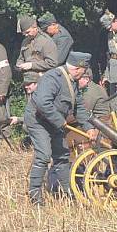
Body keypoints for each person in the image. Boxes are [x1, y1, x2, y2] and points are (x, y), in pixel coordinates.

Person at [25, 51, 96, 205]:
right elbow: (43, 104)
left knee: (62, 156)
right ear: (78, 69)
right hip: (38, 121)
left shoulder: (73, 82)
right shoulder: (52, 78)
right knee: (44, 155)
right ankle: (34, 195)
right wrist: (60, 122)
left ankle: (69, 194)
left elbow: (79, 109)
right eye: (84, 71)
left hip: (54, 121)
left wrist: (88, 127)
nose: (85, 74)